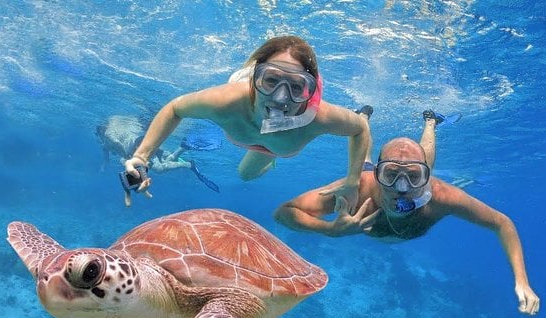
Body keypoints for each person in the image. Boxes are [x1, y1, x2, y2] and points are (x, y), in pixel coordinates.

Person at [274, 111, 541, 316]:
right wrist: (330, 230)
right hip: (368, 173)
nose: (402, 188)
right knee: (363, 164)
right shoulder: (359, 188)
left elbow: (502, 223)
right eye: (390, 174)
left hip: (415, 177)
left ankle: (431, 122)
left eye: (414, 177)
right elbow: (283, 212)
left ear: (426, 179)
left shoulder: (442, 196)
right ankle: (362, 119)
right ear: (379, 174)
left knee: (423, 160)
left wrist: (522, 281)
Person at [123, 35, 372, 207]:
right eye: (271, 80)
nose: (281, 98)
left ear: (309, 91)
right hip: (268, 137)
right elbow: (174, 109)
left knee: (246, 174)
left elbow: (360, 129)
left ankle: (274, 150)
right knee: (245, 175)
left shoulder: (319, 118)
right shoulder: (226, 102)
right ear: (254, 79)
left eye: (297, 87)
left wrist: (352, 182)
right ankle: (271, 152)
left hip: (275, 145)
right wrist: (141, 157)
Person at [96, 115, 221, 201]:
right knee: (163, 159)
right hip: (141, 143)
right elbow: (106, 159)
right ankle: (183, 148)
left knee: (160, 169)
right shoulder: (105, 144)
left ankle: (189, 164)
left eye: (98, 134)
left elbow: (117, 144)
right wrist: (103, 168)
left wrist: (128, 158)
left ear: (101, 131)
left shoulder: (108, 135)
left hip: (138, 147)